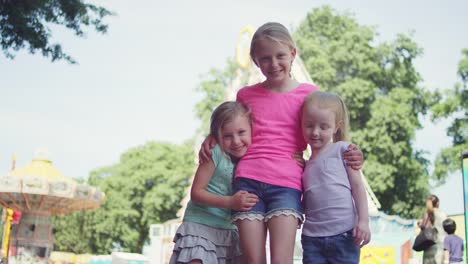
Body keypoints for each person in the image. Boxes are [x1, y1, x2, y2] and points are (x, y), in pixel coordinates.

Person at [199, 22, 364, 264]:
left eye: (280, 56)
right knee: (253, 260)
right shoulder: (245, 95)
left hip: (286, 184)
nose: (274, 64)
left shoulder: (309, 94)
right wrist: (212, 136)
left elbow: (325, 130)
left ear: (293, 54)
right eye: (265, 58)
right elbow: (233, 126)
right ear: (255, 61)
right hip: (248, 182)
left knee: (281, 261)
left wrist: (347, 153)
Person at [170, 101, 259, 264]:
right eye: (227, 136)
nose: (236, 141)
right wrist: (230, 202)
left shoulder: (254, 157)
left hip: (230, 231)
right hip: (201, 226)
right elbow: (196, 192)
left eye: (241, 132)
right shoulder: (214, 152)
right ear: (217, 136)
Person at [300, 91, 371, 263]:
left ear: (336, 127)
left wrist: (364, 221)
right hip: (312, 239)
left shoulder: (343, 150)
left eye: (323, 127)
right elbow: (308, 199)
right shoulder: (304, 165)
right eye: (309, 125)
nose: (315, 132)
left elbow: (358, 187)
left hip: (344, 235)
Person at [419, 194, 448, 264]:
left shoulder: (427, 214)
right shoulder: (443, 214)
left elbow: (423, 229)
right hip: (440, 248)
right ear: (438, 203)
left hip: (428, 248)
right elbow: (446, 231)